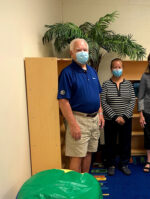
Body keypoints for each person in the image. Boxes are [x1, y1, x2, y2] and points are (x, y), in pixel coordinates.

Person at [57, 38, 105, 173]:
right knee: (77, 156)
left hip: (94, 119)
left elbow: (98, 95)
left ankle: (85, 182)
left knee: (89, 153)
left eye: (85, 50)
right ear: (71, 53)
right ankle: (76, 188)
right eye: (79, 50)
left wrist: (100, 113)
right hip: (78, 119)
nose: (83, 53)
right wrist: (73, 124)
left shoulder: (92, 71)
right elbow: (63, 101)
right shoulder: (67, 73)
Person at [101, 58, 136, 176]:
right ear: (111, 69)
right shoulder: (105, 84)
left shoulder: (129, 84)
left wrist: (124, 117)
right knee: (110, 143)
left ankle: (124, 164)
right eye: (115, 67)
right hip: (110, 120)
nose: (117, 69)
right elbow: (103, 102)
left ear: (123, 68)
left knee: (125, 142)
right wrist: (115, 116)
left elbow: (132, 101)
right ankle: (111, 164)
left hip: (126, 119)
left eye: (119, 67)